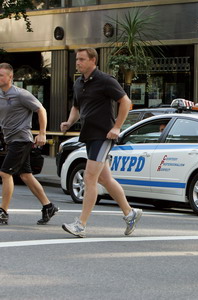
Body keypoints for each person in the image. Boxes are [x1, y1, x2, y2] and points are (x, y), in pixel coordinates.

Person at [60, 48, 142, 237]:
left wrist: (117, 127)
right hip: (89, 135)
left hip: (103, 135)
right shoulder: (79, 83)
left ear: (93, 60)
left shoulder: (105, 80)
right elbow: (77, 106)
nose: (78, 63)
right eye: (77, 60)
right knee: (105, 178)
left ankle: (80, 225)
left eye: (81, 59)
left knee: (89, 178)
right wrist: (69, 122)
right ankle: (130, 213)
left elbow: (125, 101)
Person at [0, 62, 59, 225]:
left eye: (1, 75)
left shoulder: (21, 94)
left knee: (5, 173)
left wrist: (42, 133)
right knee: (26, 175)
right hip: (11, 140)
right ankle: (48, 206)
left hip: (22, 140)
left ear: (10, 77)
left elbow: (41, 110)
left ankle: (3, 212)